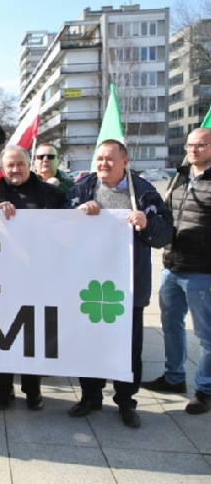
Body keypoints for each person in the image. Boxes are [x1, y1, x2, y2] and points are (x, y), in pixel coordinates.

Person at [65, 140, 173, 428]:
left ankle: (126, 401)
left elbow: (165, 235)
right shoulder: (81, 189)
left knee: (128, 348)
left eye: (110, 159)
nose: (103, 164)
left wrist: (147, 224)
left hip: (128, 287)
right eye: (99, 159)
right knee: (90, 343)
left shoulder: (146, 193)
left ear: (125, 162)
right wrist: (76, 215)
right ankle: (90, 396)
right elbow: (61, 228)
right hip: (90, 286)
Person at [0, 145, 65, 410]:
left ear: (30, 166)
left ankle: (32, 390)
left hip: (38, 280)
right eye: (10, 165)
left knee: (32, 338)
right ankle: (3, 390)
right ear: (2, 169)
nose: (15, 170)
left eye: (20, 164)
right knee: (1, 337)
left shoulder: (52, 195)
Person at [141, 127, 211, 414]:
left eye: (201, 145)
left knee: (206, 335)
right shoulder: (181, 177)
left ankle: (205, 389)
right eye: (190, 144)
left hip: (203, 271)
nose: (194, 150)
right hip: (173, 265)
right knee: (172, 325)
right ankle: (173, 377)